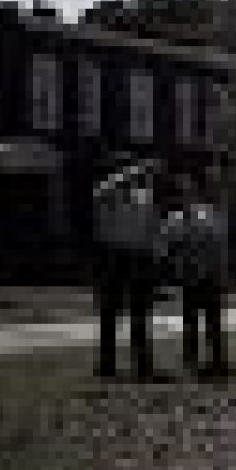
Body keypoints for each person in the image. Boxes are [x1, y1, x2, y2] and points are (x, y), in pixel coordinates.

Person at [91, 157, 166, 380]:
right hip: (114, 255)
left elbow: (153, 228)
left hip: (139, 256)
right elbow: (101, 192)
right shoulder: (107, 194)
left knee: (140, 313)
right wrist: (132, 171)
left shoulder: (144, 198)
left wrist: (155, 259)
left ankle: (142, 362)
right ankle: (107, 364)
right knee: (109, 312)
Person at [164, 172, 233, 380]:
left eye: (189, 191)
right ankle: (191, 360)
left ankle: (217, 359)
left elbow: (219, 245)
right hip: (188, 275)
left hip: (209, 273)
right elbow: (167, 248)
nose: (186, 195)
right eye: (182, 192)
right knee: (190, 320)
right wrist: (177, 267)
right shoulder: (173, 220)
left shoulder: (209, 215)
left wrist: (221, 270)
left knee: (213, 320)